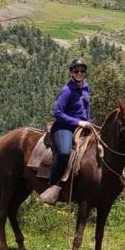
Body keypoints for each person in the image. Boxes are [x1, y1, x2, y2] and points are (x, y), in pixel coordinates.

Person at [39, 58, 93, 205]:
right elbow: (57, 113)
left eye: (82, 71)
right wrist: (78, 122)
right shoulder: (67, 90)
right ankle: (52, 185)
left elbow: (86, 108)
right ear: (71, 73)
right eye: (76, 71)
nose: (80, 73)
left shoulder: (86, 87)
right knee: (64, 153)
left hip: (83, 127)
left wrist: (89, 123)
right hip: (64, 127)